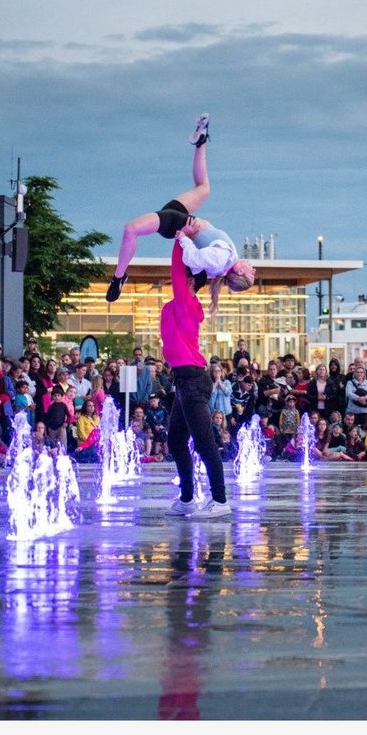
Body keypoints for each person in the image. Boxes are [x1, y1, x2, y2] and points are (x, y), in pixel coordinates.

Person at [106, 114, 256, 311]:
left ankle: (119, 277)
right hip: (181, 217)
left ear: (239, 271)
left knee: (131, 229)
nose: (253, 268)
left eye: (251, 272)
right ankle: (201, 139)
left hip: (180, 223)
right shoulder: (223, 264)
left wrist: (185, 236)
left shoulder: (221, 260)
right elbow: (196, 266)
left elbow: (193, 259)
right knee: (203, 188)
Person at [161, 239, 230, 518]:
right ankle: (187, 498)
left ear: (190, 279)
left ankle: (220, 501)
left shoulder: (186, 302)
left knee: (204, 444)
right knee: (176, 442)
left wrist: (180, 239)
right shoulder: (180, 304)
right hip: (183, 380)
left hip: (192, 380)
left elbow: (176, 271)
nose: (178, 279)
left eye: (184, 276)